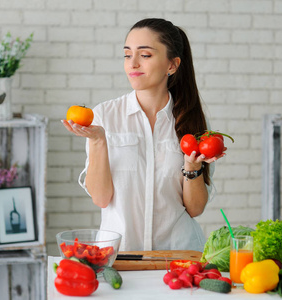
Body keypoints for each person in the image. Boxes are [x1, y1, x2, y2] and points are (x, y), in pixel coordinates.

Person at [62, 18, 226, 252]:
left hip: (178, 256)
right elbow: (101, 198)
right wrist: (98, 141)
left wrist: (191, 165)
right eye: (127, 55)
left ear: (172, 65)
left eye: (145, 55)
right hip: (119, 257)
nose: (133, 64)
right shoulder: (104, 116)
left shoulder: (192, 122)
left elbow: (195, 208)